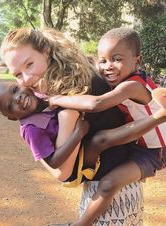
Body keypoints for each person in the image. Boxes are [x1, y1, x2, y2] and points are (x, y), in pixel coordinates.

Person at [0, 27, 146, 225]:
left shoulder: (70, 100)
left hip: (109, 197)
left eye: (30, 64)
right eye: (18, 74)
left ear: (46, 51)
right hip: (120, 187)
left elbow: (62, 173)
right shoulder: (77, 77)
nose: (27, 79)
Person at [47, 27, 166, 225]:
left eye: (117, 59)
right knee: (99, 142)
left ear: (138, 60)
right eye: (103, 61)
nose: (108, 66)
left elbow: (97, 104)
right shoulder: (123, 81)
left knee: (108, 184)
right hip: (138, 145)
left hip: (150, 153)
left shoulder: (131, 86)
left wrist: (57, 99)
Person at [0, 82, 166, 188]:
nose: (18, 98)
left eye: (14, 90)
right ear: (12, 118)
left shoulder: (41, 95)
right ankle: (159, 117)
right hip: (74, 171)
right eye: (10, 105)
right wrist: (78, 133)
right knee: (100, 139)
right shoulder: (31, 129)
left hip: (77, 149)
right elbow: (54, 162)